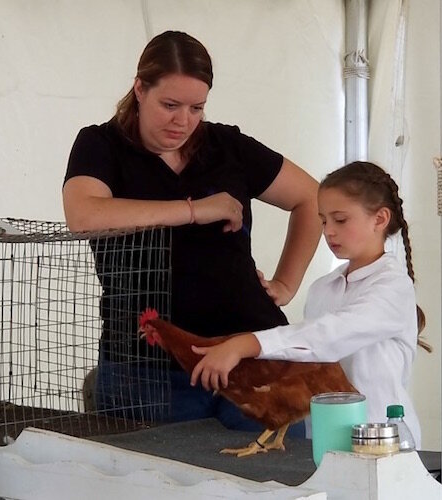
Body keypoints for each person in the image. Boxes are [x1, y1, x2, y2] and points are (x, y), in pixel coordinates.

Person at [62, 31, 321, 434]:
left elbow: (313, 199)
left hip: (253, 358)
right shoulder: (100, 144)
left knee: (272, 485)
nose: (183, 120)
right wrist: (196, 210)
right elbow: (83, 214)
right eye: (170, 105)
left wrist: (286, 283)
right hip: (145, 370)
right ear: (139, 88)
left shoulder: (227, 145)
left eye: (196, 107)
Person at [190, 161, 427, 448]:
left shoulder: (394, 287)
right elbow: (309, 359)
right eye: (323, 220)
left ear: (380, 219)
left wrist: (245, 344)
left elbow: (328, 337)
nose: (329, 232)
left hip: (384, 441)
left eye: (340, 220)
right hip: (325, 440)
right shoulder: (322, 289)